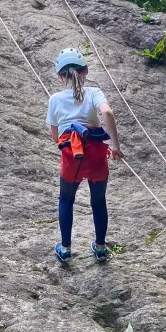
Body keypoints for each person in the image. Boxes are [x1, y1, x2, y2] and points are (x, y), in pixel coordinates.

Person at [46, 47, 123, 265]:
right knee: (98, 201)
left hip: (73, 153)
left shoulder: (55, 99)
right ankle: (100, 248)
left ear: (61, 77)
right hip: (96, 151)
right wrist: (115, 146)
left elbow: (55, 135)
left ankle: (65, 249)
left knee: (66, 199)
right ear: (85, 72)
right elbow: (107, 112)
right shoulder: (94, 92)